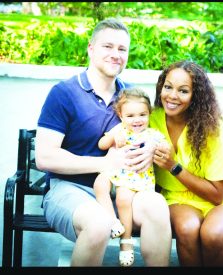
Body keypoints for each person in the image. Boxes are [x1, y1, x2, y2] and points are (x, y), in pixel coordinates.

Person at [35, 18, 172, 267]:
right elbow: (45, 157)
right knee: (99, 223)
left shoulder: (132, 96)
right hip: (70, 189)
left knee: (157, 206)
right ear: (91, 48)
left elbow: (155, 135)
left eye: (122, 49)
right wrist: (104, 163)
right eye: (107, 46)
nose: (115, 55)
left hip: (125, 189)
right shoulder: (64, 93)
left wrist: (153, 147)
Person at [150, 60, 223, 267]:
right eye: (168, 87)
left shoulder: (212, 128)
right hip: (177, 198)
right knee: (187, 228)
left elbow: (217, 195)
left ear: (196, 96)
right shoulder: (151, 119)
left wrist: (173, 167)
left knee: (213, 234)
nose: (172, 96)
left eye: (183, 91)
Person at [94, 87, 169, 267]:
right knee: (99, 184)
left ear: (149, 114)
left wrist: (157, 146)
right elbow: (101, 144)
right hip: (118, 174)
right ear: (121, 115)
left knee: (123, 198)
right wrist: (113, 138)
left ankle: (125, 242)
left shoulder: (151, 134)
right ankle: (113, 221)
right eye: (130, 116)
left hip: (138, 179)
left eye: (142, 114)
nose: (137, 120)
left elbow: (166, 147)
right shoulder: (119, 129)